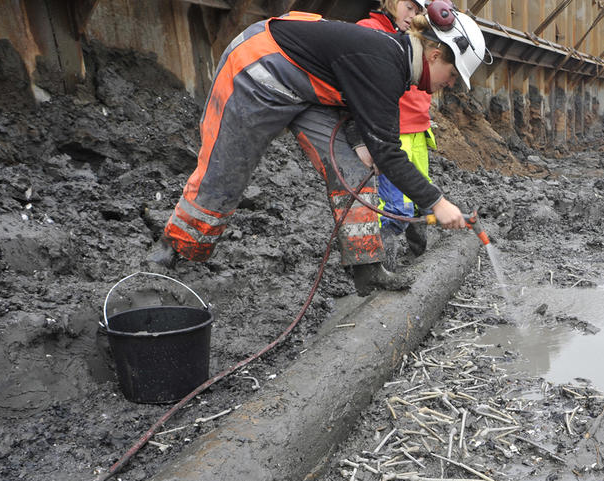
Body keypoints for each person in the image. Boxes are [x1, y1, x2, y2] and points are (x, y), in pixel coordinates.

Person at [146, 6, 486, 295]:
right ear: (434, 55)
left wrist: (359, 142)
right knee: (226, 173)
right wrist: (437, 202)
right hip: (260, 66)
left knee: (353, 172)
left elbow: (356, 99)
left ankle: (367, 268)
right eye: (453, 75)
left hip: (307, 87)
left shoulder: (394, 63)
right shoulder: (385, 62)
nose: (450, 84)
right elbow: (388, 152)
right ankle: (171, 251)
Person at [358, 0, 436, 267]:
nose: (413, 15)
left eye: (419, 10)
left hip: (418, 130)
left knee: (422, 197)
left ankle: (420, 258)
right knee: (395, 208)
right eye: (409, 7)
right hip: (392, 132)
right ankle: (383, 267)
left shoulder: (419, 37)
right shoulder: (370, 31)